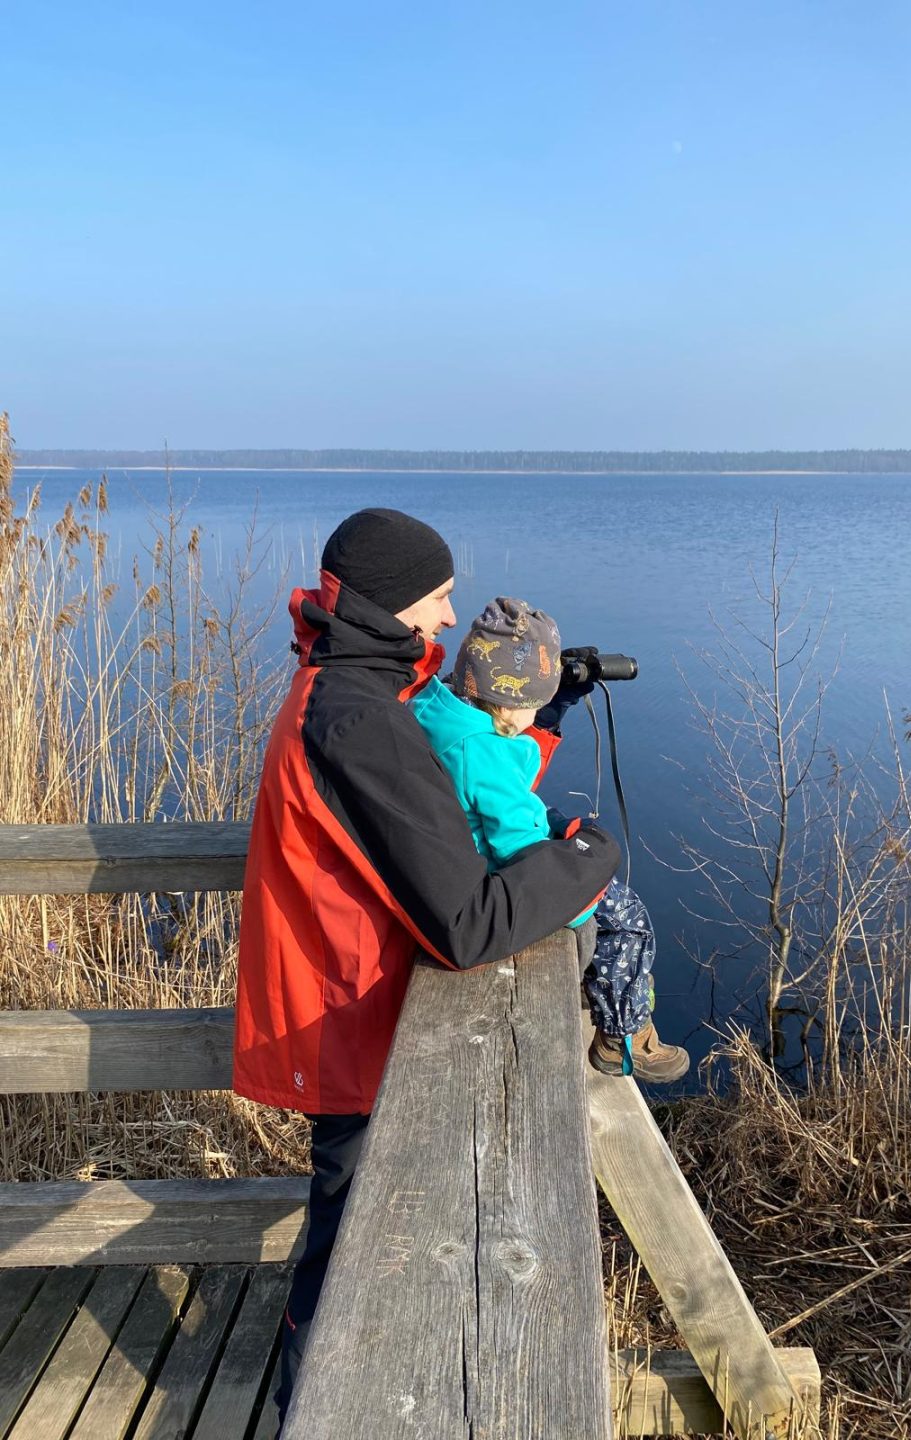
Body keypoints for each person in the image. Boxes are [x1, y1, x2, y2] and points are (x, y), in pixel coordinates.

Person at [232, 511, 620, 1423]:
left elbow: (445, 785)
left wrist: (545, 713)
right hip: (349, 1017)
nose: (449, 615)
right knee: (349, 1245)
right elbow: (470, 923)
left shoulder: (351, 684)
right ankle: (309, 1412)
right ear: (391, 599)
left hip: (350, 1001)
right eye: (438, 596)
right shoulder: (360, 718)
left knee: (354, 1229)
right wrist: (590, 856)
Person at [409, 594, 689, 1083]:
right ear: (512, 703)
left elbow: (490, 796)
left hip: (461, 857)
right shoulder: (487, 753)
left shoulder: (437, 707)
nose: (536, 715)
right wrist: (579, 894)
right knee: (627, 918)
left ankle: (606, 1000)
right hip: (493, 880)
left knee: (574, 847)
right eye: (536, 704)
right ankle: (623, 1036)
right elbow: (521, 851)